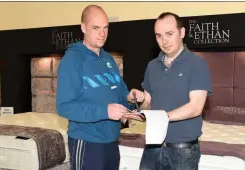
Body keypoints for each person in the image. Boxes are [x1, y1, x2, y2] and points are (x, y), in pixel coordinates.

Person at [56, 5, 145, 170]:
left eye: (105, 28)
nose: (102, 33)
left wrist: (130, 99)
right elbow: (64, 107)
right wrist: (105, 111)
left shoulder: (109, 59)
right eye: (96, 28)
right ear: (83, 27)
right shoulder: (72, 60)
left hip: (111, 141)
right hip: (87, 141)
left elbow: (120, 97)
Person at [138, 12, 212, 170]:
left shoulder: (197, 63)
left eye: (169, 34)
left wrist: (162, 117)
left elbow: (196, 107)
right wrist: (139, 100)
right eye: (159, 36)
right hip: (153, 145)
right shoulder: (152, 66)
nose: (164, 41)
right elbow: (147, 104)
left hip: (183, 150)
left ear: (182, 32)